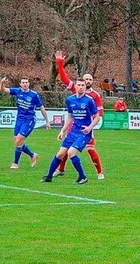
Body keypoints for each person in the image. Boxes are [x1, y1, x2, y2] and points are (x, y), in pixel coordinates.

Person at [55, 51, 106, 180]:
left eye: (90, 79)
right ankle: (61, 169)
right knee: (66, 148)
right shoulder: (76, 89)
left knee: (90, 149)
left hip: (88, 126)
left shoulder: (95, 96)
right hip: (74, 125)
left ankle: (99, 172)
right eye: (86, 78)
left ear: (92, 81)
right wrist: (60, 63)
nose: (88, 81)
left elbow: (100, 112)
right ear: (82, 80)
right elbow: (64, 78)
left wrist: (91, 120)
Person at [40, 78, 100, 185]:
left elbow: (97, 117)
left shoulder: (89, 100)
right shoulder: (70, 99)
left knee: (71, 152)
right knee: (60, 154)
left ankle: (83, 177)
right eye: (79, 85)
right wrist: (62, 131)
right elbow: (70, 117)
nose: (81, 87)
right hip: (73, 132)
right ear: (75, 86)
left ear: (85, 87)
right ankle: (49, 176)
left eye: (83, 85)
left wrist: (89, 128)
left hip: (84, 133)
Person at [0, 76, 50, 169]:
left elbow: (41, 108)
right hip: (19, 120)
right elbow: (4, 90)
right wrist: (2, 83)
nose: (25, 84)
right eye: (23, 82)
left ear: (29, 84)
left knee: (18, 141)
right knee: (17, 142)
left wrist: (47, 121)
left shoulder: (34, 95)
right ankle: (32, 155)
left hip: (29, 120)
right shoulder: (17, 91)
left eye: (26, 82)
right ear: (20, 84)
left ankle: (15, 163)